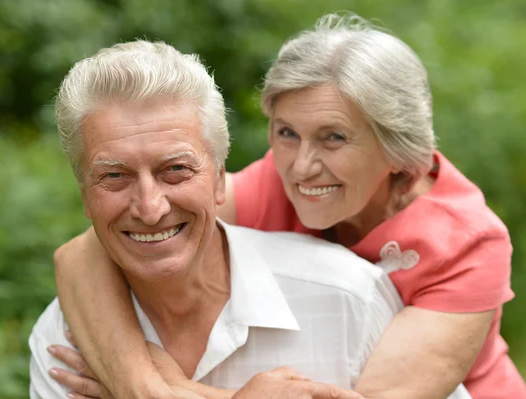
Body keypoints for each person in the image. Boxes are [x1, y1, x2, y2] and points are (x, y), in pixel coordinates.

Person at [49, 13, 526, 399]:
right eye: (286, 133)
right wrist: (143, 386)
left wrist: (177, 392)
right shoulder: (276, 185)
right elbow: (85, 252)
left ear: (395, 146)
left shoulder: (468, 242)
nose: (301, 167)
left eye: (333, 138)